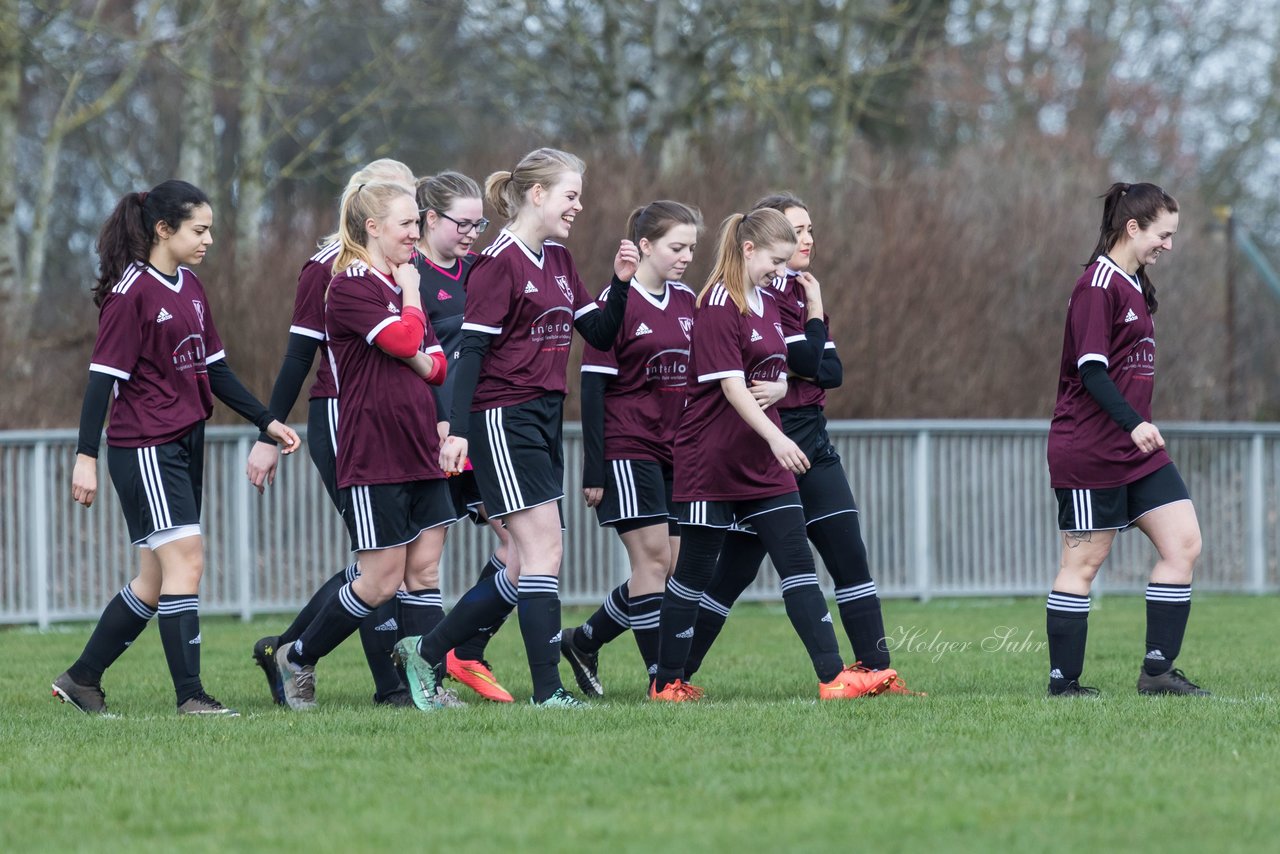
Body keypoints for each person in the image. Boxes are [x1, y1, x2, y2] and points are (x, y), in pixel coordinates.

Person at [393, 147, 634, 709]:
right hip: (503, 416)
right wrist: (455, 427)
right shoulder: (499, 261)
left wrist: (620, 282)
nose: (578, 206)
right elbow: (471, 351)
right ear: (538, 194)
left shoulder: (558, 258)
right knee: (544, 550)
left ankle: (427, 652)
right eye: (571, 195)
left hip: (545, 416)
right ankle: (548, 692)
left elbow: (596, 331)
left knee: (525, 560)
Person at [53, 180, 300, 716]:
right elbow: (101, 381)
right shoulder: (130, 293)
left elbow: (215, 371)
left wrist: (267, 420)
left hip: (185, 442)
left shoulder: (189, 285)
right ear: (164, 230)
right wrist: (85, 456)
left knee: (153, 580)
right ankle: (191, 697)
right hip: (146, 445)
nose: (209, 239)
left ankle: (81, 679)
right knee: (188, 562)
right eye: (200, 229)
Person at [680, 193, 918, 696]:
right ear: (758, 243)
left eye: (809, 230)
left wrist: (811, 318)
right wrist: (801, 351)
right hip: (763, 449)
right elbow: (801, 362)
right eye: (795, 230)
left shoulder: (794, 290)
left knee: (848, 557)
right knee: (726, 578)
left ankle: (874, 671)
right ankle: (672, 674)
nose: (805, 240)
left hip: (812, 442)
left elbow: (829, 371)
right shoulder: (756, 295)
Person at [274, 180, 457, 711]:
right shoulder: (350, 283)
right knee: (379, 583)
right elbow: (405, 342)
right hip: (373, 448)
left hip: (418, 442)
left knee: (424, 572)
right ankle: (299, 655)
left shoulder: (397, 282)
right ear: (372, 227)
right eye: (405, 224)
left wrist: (414, 347)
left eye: (417, 223)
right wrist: (413, 298)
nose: (414, 233)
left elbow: (438, 363)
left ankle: (430, 688)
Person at [246, 159, 415, 708]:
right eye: (400, 203)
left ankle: (291, 647)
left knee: (383, 559)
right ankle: (389, 687)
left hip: (397, 424)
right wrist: (268, 436)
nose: (412, 220)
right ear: (367, 209)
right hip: (344, 418)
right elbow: (298, 357)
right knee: (378, 559)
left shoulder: (403, 265)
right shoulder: (328, 268)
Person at [1045, 182, 1208, 697]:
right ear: (1132, 227)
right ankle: (1063, 684)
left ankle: (1157, 672)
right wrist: (1132, 422)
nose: (1170, 245)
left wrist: (1136, 431)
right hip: (1090, 452)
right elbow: (1092, 372)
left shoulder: (1134, 285)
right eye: (1163, 234)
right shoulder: (1098, 286)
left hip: (1136, 455)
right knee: (1083, 564)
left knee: (1183, 543)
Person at [559, 201, 703, 697]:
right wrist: (594, 468)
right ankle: (660, 682)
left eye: (691, 248)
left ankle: (584, 639)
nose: (686, 257)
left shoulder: (687, 302)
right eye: (676, 247)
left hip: (674, 453)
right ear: (644, 245)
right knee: (653, 564)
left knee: (677, 566)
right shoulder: (614, 302)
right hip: (626, 448)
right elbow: (593, 389)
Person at [410, 169, 517, 703]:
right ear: (430, 219)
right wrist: (437, 422)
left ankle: (465, 649)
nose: (473, 233)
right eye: (463, 223)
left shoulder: (480, 271)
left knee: (519, 544)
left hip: (475, 432)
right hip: (428, 435)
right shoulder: (408, 275)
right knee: (423, 561)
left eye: (480, 223)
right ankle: (417, 674)